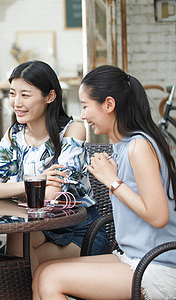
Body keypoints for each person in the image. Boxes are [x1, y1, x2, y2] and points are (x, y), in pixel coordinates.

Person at [33, 65, 176, 299]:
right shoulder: (122, 147)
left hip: (157, 266)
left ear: (109, 105)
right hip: (133, 258)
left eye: (85, 105)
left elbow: (159, 216)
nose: (83, 115)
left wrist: (113, 181)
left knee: (51, 278)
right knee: (42, 271)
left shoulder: (139, 147)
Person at [0, 60, 109, 273]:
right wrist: (33, 183)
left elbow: (50, 196)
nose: (16, 102)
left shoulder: (72, 132)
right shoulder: (14, 136)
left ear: (50, 96)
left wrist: (13, 190)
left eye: (25, 95)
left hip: (79, 233)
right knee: (17, 240)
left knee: (14, 263)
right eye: (12, 93)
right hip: (38, 230)